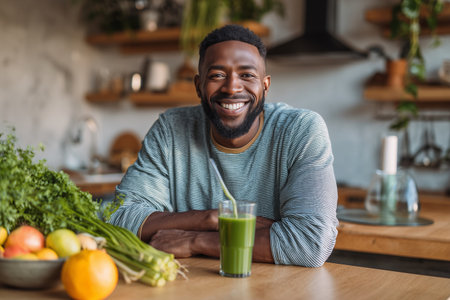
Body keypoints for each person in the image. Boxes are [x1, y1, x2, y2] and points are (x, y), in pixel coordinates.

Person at [109, 24, 338, 267]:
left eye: (247, 75)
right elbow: (119, 218)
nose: (231, 87)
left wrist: (195, 241)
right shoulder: (171, 129)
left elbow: (310, 244)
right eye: (217, 75)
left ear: (265, 85)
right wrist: (211, 219)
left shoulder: (300, 129)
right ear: (198, 86)